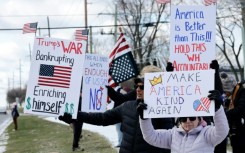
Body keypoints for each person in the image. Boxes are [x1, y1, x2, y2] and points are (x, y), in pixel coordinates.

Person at [59, 65, 174, 153]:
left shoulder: (164, 111)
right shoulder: (127, 106)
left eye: (142, 86)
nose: (138, 89)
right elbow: (102, 118)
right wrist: (74, 115)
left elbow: (168, 142)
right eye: (136, 86)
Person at [137, 89, 229, 153]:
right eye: (183, 119)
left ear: (199, 119)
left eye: (192, 117)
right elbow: (150, 136)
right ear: (179, 121)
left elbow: (222, 131)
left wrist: (217, 108)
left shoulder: (207, 134)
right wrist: (144, 119)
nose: (188, 121)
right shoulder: (173, 134)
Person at [225, 80, 245, 153]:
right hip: (235, 128)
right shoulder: (235, 92)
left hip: (240, 129)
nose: (225, 93)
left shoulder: (242, 92)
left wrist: (226, 114)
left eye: (226, 91)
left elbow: (240, 109)